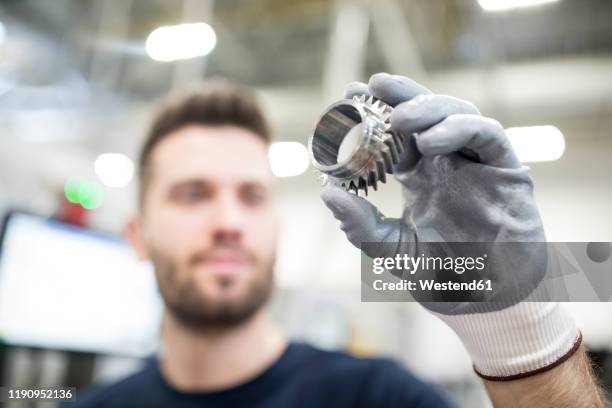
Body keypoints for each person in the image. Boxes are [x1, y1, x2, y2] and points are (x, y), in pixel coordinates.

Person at [66, 75, 606, 407]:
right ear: (136, 235)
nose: (228, 220)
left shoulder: (384, 399)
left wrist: (517, 331)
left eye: (251, 195)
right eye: (192, 194)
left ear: (275, 224)